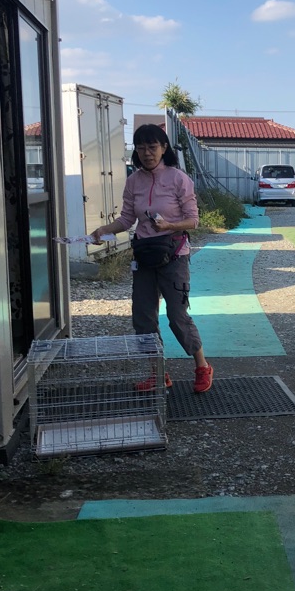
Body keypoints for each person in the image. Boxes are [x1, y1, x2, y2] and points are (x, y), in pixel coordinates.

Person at [92, 123, 214, 394]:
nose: (147, 152)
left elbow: (193, 220)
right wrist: (103, 231)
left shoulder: (178, 178)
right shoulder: (133, 181)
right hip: (144, 255)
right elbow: (126, 219)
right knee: (143, 317)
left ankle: (202, 366)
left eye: (152, 146)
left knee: (177, 315)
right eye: (141, 147)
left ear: (164, 148)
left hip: (174, 254)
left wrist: (169, 226)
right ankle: (157, 373)